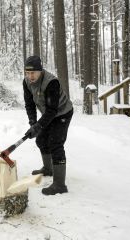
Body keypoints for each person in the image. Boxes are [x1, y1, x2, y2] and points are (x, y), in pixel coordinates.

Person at [23, 55, 73, 195]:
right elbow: (30, 104)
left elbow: (52, 110)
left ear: (40, 71)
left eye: (33, 73)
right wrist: (33, 124)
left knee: (56, 143)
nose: (30, 76)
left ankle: (60, 185)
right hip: (48, 114)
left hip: (62, 113)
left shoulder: (51, 83)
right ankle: (48, 168)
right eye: (27, 73)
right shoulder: (26, 82)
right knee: (41, 140)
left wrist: (38, 126)